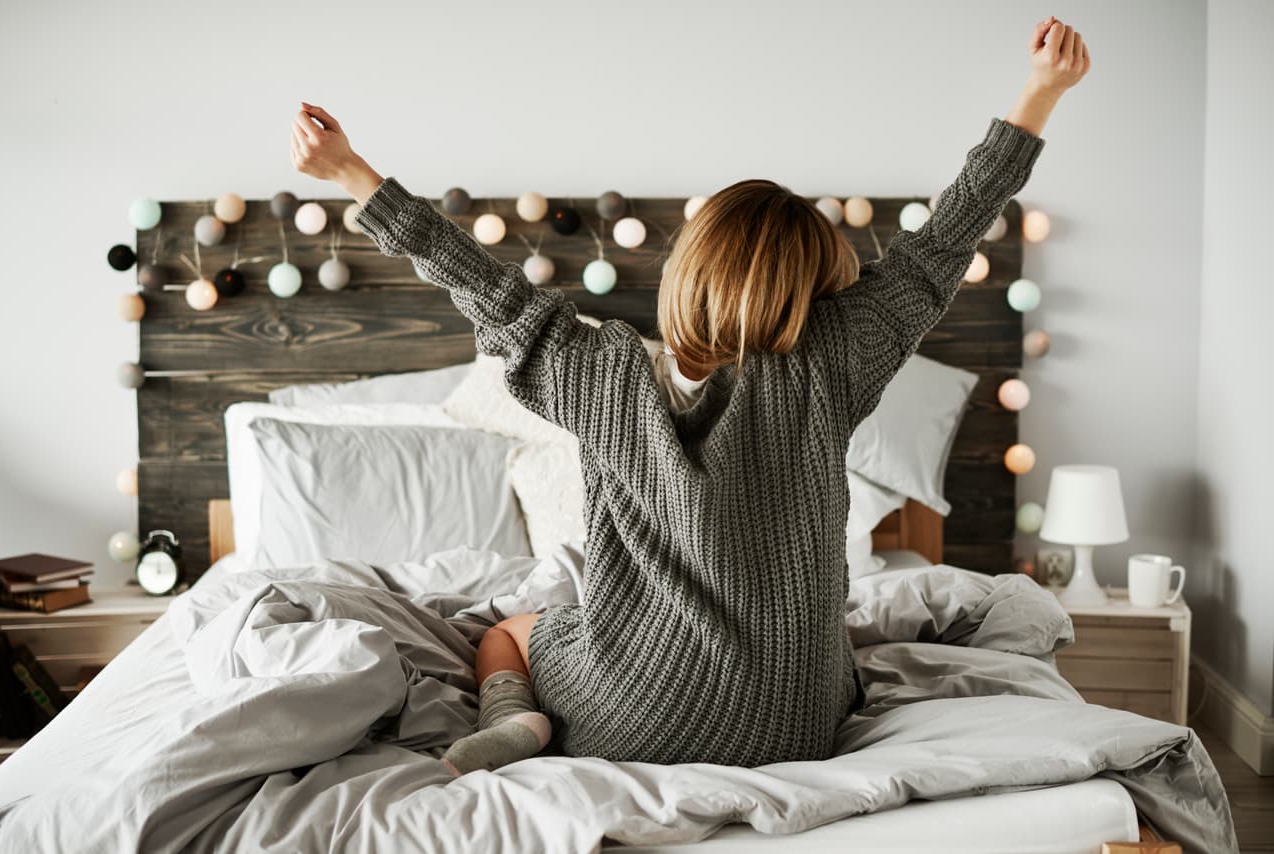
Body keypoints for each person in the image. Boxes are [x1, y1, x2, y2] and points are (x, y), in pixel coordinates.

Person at [291, 16, 1089, 775]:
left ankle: (512, 718)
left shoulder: (596, 373)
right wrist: (1040, 92)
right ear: (816, 295)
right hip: (797, 720)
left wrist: (352, 173)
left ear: (689, 271)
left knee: (510, 630)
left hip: (627, 712)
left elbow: (481, 284)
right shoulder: (832, 365)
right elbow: (938, 247)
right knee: (829, 660)